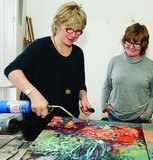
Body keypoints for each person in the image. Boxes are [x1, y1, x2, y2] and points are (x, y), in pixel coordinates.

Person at [4, 2, 93, 141]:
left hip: (68, 126)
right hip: (39, 129)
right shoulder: (40, 47)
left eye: (78, 31)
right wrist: (33, 94)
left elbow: (80, 83)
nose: (73, 35)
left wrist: (84, 97)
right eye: (69, 29)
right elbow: (11, 70)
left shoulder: (77, 53)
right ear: (57, 25)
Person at [101, 23, 153, 123]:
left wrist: (146, 115)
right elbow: (107, 85)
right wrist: (104, 105)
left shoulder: (151, 66)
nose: (131, 47)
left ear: (143, 45)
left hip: (139, 120)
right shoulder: (114, 61)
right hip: (114, 117)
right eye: (129, 42)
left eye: (136, 43)